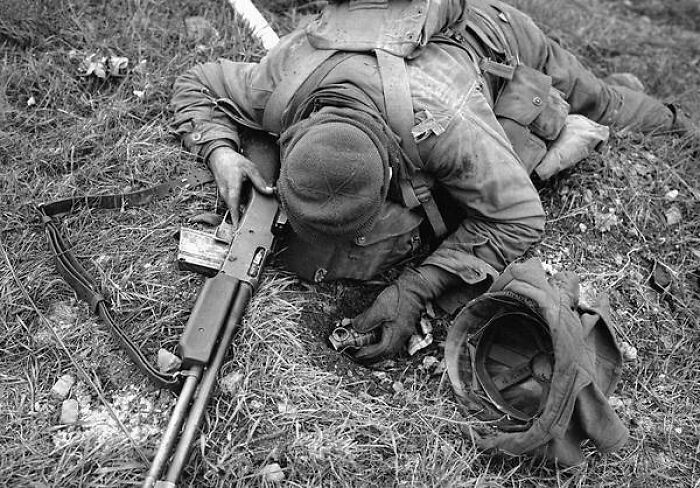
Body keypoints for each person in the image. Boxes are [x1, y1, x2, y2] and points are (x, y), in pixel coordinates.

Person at [171, 0, 697, 363]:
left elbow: (518, 217)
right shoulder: (281, 80)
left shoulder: (446, 126)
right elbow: (195, 80)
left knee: (600, 100)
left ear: (394, 172)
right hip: (392, 50)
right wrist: (221, 152)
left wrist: (416, 288)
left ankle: (675, 117)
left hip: (495, 35)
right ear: (289, 130)